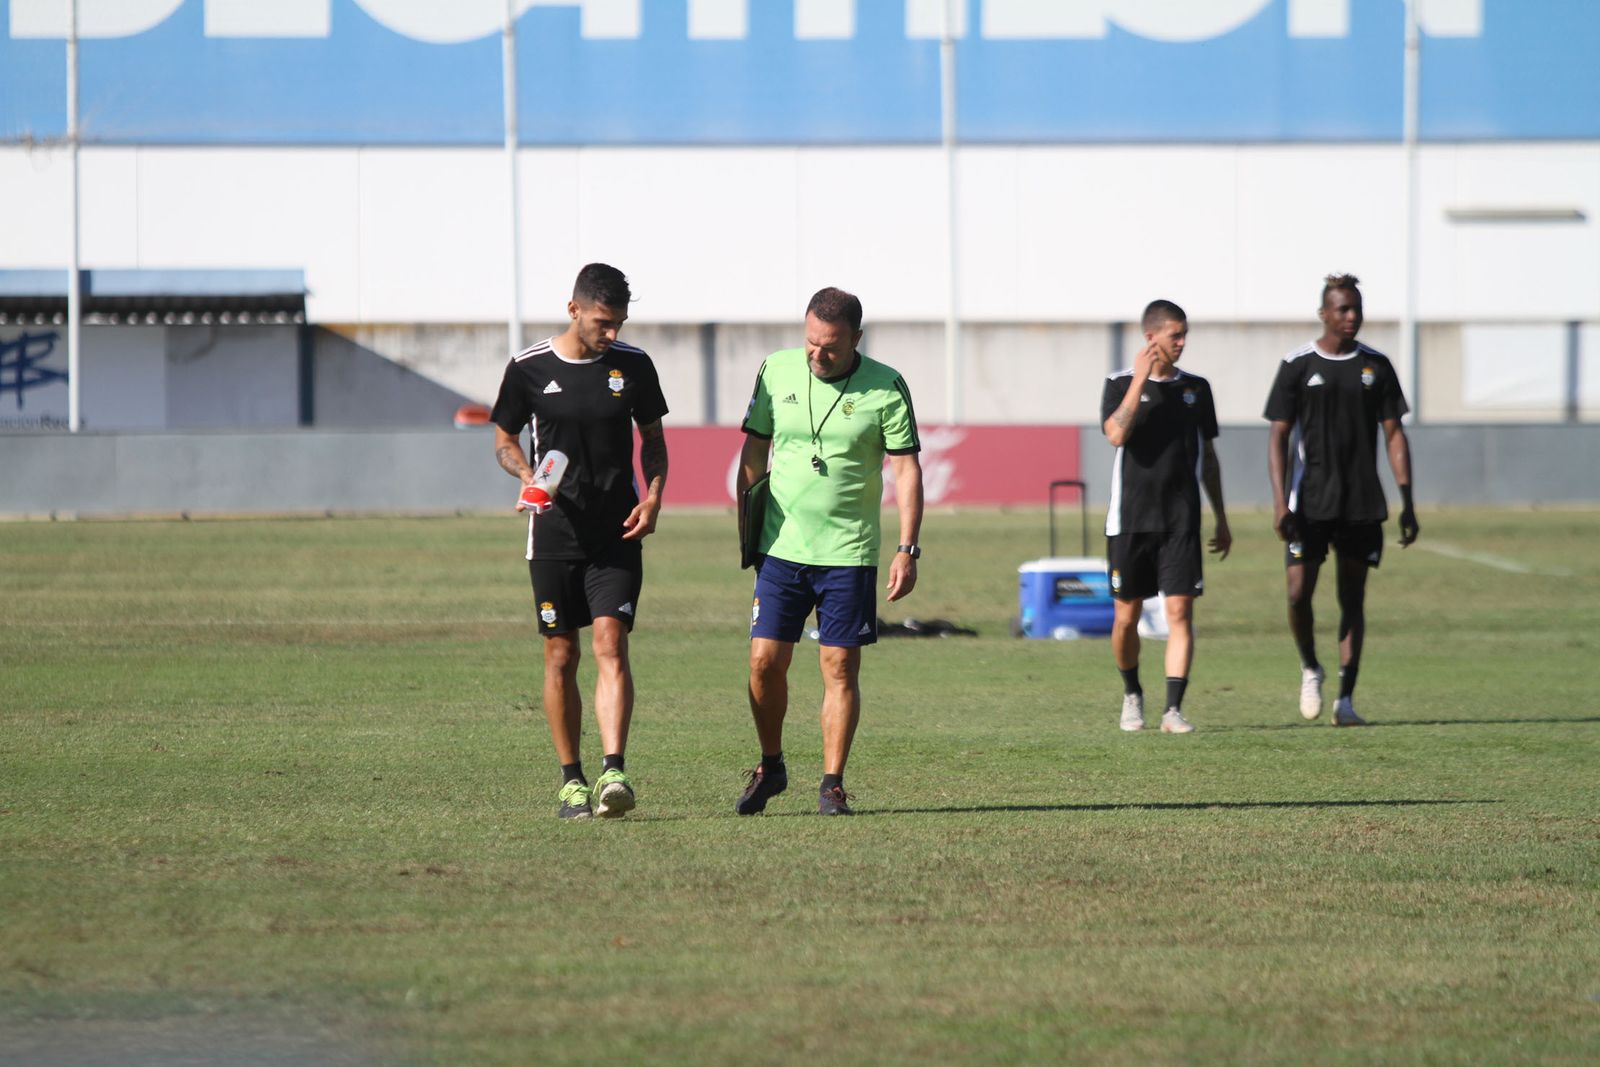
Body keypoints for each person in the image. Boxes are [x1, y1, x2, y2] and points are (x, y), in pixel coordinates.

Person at [733, 287, 923, 816]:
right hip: (781, 547)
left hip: (849, 551)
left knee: (839, 666)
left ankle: (832, 784)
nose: (818, 354)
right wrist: (746, 522)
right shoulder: (775, 370)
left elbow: (907, 469)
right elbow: (755, 448)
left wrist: (907, 548)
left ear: (856, 339)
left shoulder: (887, 386)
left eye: (831, 347)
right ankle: (770, 765)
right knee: (764, 663)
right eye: (811, 342)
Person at [490, 263, 669, 818]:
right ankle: (572, 781)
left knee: (611, 644)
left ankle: (614, 773)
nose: (611, 333)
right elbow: (504, 439)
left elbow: (653, 440)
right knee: (561, 653)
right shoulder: (528, 367)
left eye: (618, 323)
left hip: (617, 531)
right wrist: (527, 476)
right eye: (601, 322)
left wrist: (653, 496)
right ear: (574, 310)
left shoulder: (634, 365)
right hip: (553, 534)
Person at [1264, 273, 1418, 726]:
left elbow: (1394, 435)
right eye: (1343, 309)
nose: (1352, 317)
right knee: (1297, 594)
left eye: (1357, 308)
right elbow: (1278, 437)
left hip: (1361, 503)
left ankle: (1346, 700)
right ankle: (1310, 666)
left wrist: (1407, 500)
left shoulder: (1376, 366)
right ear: (1324, 314)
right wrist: (1280, 502)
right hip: (1309, 502)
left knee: (1352, 599)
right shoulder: (1297, 365)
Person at [1101, 300, 1231, 734]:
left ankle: (1173, 710)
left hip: (1181, 521)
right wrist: (1141, 378)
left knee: (1180, 613)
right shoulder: (1120, 382)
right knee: (1126, 618)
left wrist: (1221, 516)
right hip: (1130, 522)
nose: (1182, 342)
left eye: (1184, 334)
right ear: (1150, 337)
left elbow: (1209, 458)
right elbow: (1116, 434)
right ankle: (1132, 694)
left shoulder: (1197, 389)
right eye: (1175, 335)